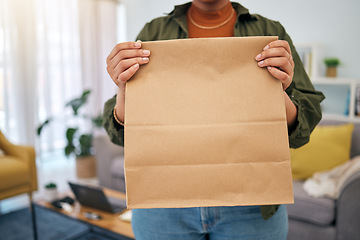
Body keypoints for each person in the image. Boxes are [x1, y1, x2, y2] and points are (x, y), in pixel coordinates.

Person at [103, 0, 325, 239]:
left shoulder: (269, 32)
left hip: (253, 205)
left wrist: (277, 91)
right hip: (163, 204)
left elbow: (303, 130)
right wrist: (124, 91)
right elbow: (122, 134)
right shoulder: (153, 32)